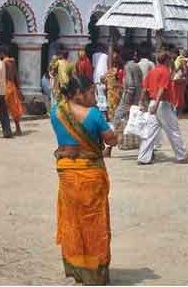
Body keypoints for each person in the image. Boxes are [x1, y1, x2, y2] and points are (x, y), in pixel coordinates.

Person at [50, 74, 116, 285]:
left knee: (73, 220)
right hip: (90, 174)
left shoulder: (56, 112)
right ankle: (95, 273)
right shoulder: (94, 115)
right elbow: (110, 139)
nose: (95, 97)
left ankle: (76, 268)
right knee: (94, 222)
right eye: (91, 93)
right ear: (78, 94)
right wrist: (113, 139)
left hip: (67, 172)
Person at [136, 52, 188, 165]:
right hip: (162, 104)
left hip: (152, 103)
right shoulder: (165, 72)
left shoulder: (152, 71)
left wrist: (141, 102)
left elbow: (144, 89)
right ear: (166, 60)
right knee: (173, 130)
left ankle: (143, 157)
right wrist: (156, 104)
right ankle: (182, 155)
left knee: (150, 132)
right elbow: (162, 89)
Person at [109, 49, 145, 155]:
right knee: (136, 123)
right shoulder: (136, 66)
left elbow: (130, 86)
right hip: (136, 99)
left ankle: (110, 147)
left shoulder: (128, 67)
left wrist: (127, 102)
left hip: (128, 100)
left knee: (116, 119)